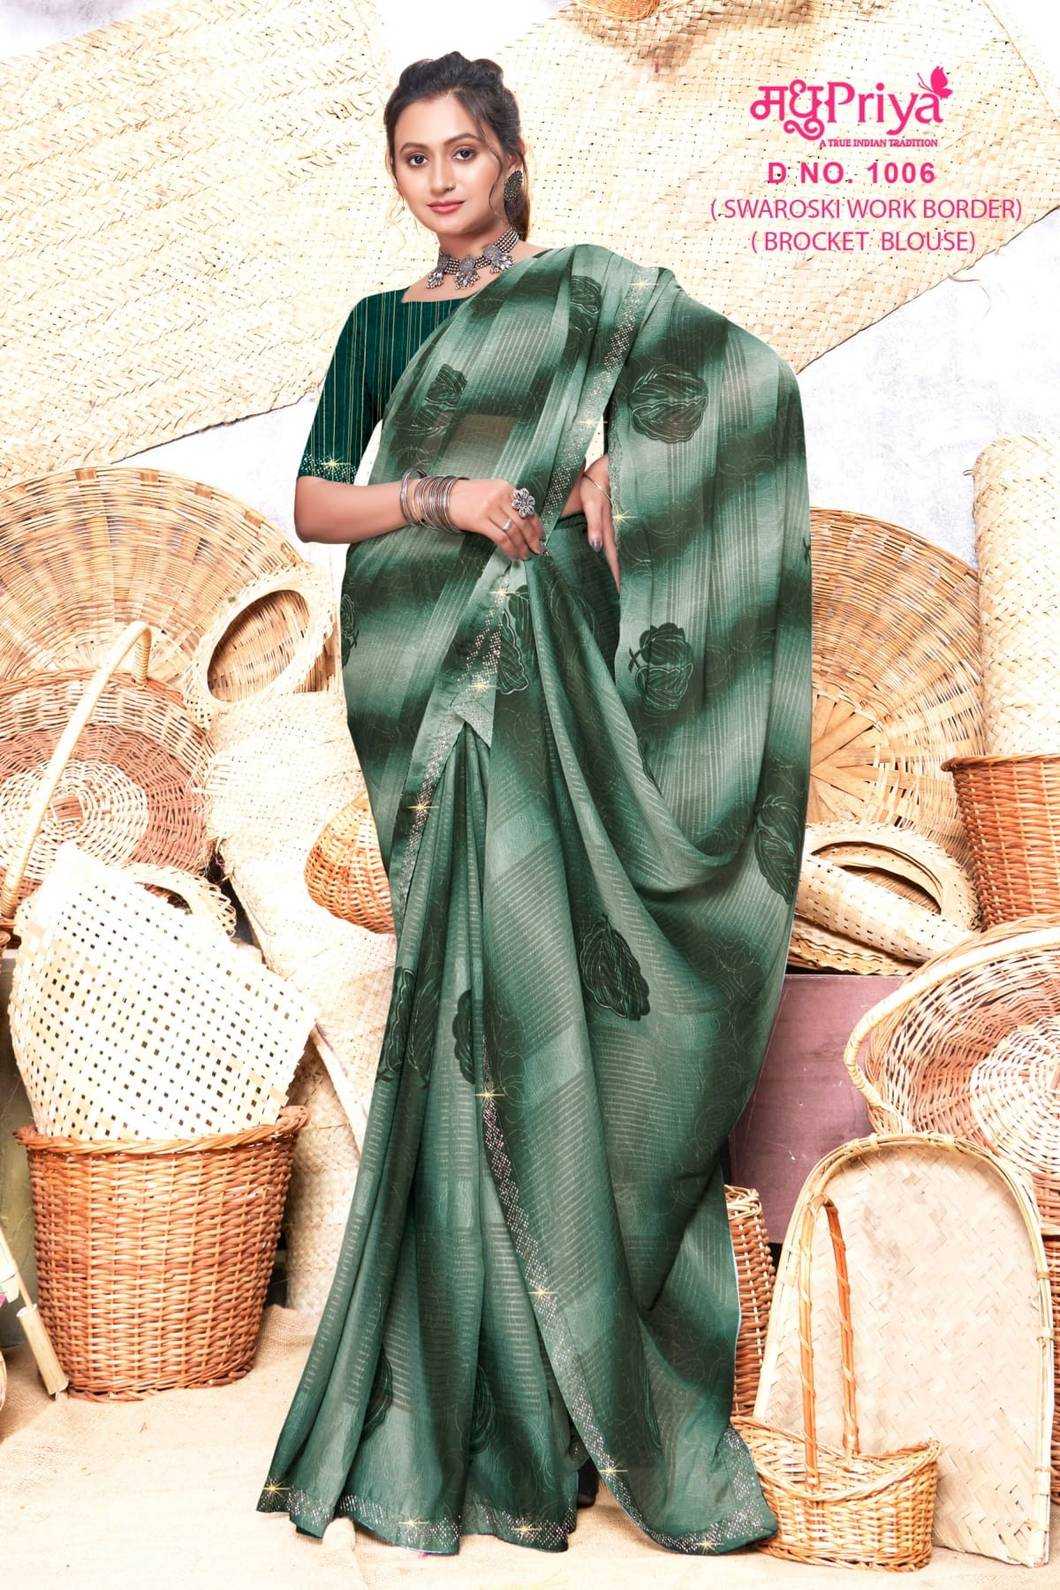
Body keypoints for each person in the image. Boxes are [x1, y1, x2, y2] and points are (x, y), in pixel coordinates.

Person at [258, 50, 812, 1558]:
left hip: (543, 669)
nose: (440, 180)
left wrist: (605, 485)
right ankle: (473, 1388)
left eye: (463, 152)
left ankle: (554, 1398)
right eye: (414, 158)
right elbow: (316, 501)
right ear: (397, 174)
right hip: (424, 680)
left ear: (508, 156)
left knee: (540, 991)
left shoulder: (590, 303)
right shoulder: (381, 326)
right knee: (466, 998)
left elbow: (729, 400)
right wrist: (444, 498)